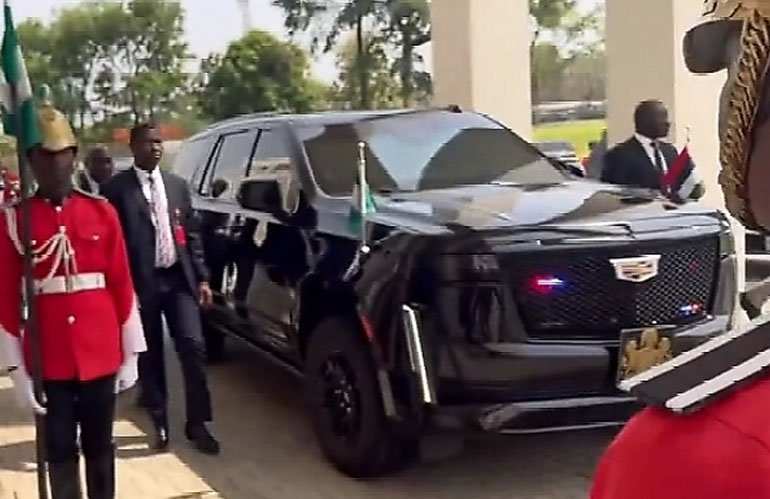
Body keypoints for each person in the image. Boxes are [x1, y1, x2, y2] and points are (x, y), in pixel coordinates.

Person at [0, 99, 145, 498]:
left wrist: (132, 352)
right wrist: (16, 370)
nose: (51, 165)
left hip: (100, 352)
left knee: (100, 446)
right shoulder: (15, 219)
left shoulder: (101, 212)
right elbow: (6, 299)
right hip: (50, 358)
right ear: (30, 161)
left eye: (59, 155)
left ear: (73, 156)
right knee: (60, 450)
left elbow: (121, 283)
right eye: (41, 157)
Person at [101, 123, 220, 455]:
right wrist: (119, 292)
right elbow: (112, 246)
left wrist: (203, 279)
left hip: (178, 279)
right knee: (151, 355)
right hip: (141, 284)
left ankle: (198, 422)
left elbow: (192, 237)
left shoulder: (177, 186)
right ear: (134, 148)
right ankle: (160, 419)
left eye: (159, 143)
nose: (155, 148)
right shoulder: (116, 191)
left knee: (194, 347)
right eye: (148, 143)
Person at [601, 100, 705, 201]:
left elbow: (688, 186)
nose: (667, 123)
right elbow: (614, 197)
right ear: (645, 121)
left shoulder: (670, 151)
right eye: (662, 118)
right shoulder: (619, 155)